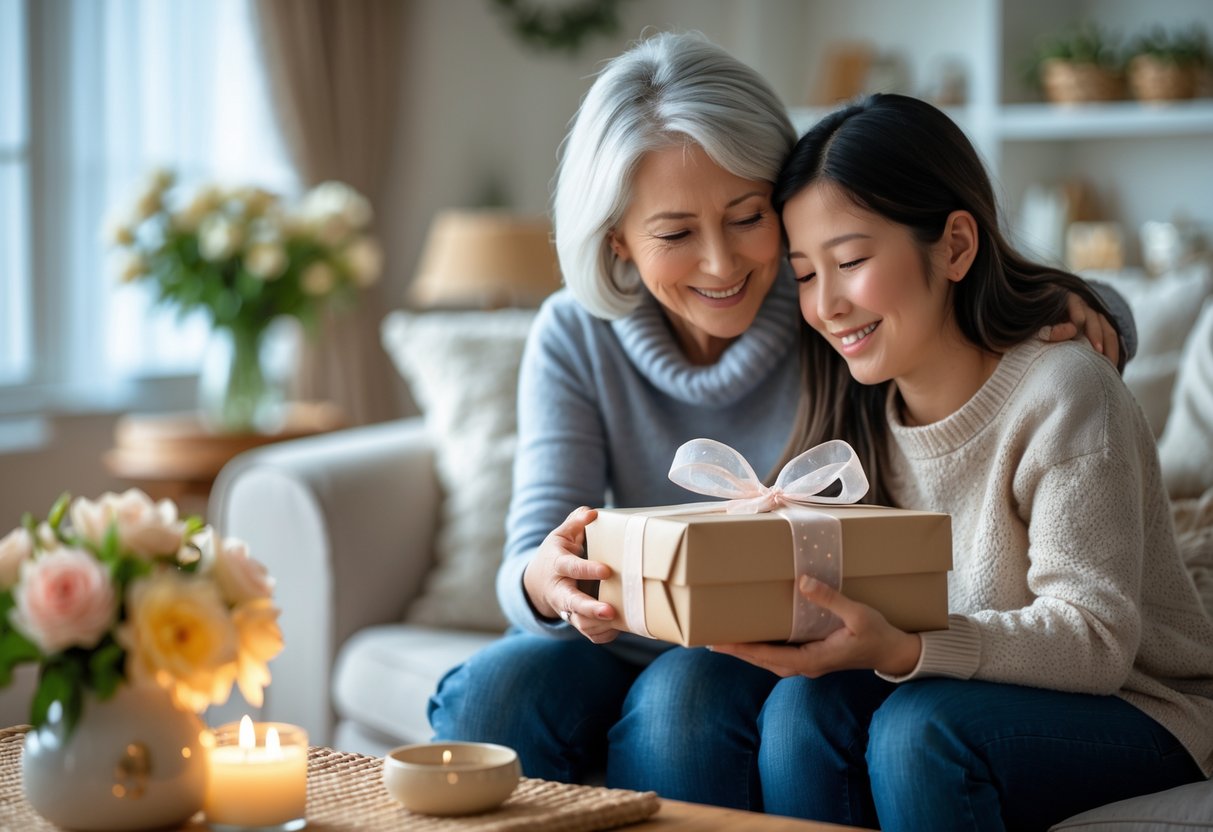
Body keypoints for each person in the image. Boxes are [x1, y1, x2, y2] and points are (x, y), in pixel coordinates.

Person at [427, 33, 1129, 810]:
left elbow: (971, 303)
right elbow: (529, 550)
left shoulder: (823, 307)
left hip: (754, 637)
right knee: (492, 695)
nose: (723, 265)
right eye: (674, 234)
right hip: (615, 631)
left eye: (746, 217)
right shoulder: (574, 333)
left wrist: (1076, 304)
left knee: (683, 699)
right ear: (616, 238)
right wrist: (542, 579)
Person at [712, 93, 1213, 830]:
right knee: (797, 711)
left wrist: (909, 645)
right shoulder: (855, 410)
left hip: (1139, 705)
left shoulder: (1063, 390)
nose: (827, 305)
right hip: (966, 683)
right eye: (806, 275)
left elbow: (1098, 641)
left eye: (849, 261)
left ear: (953, 245)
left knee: (920, 733)